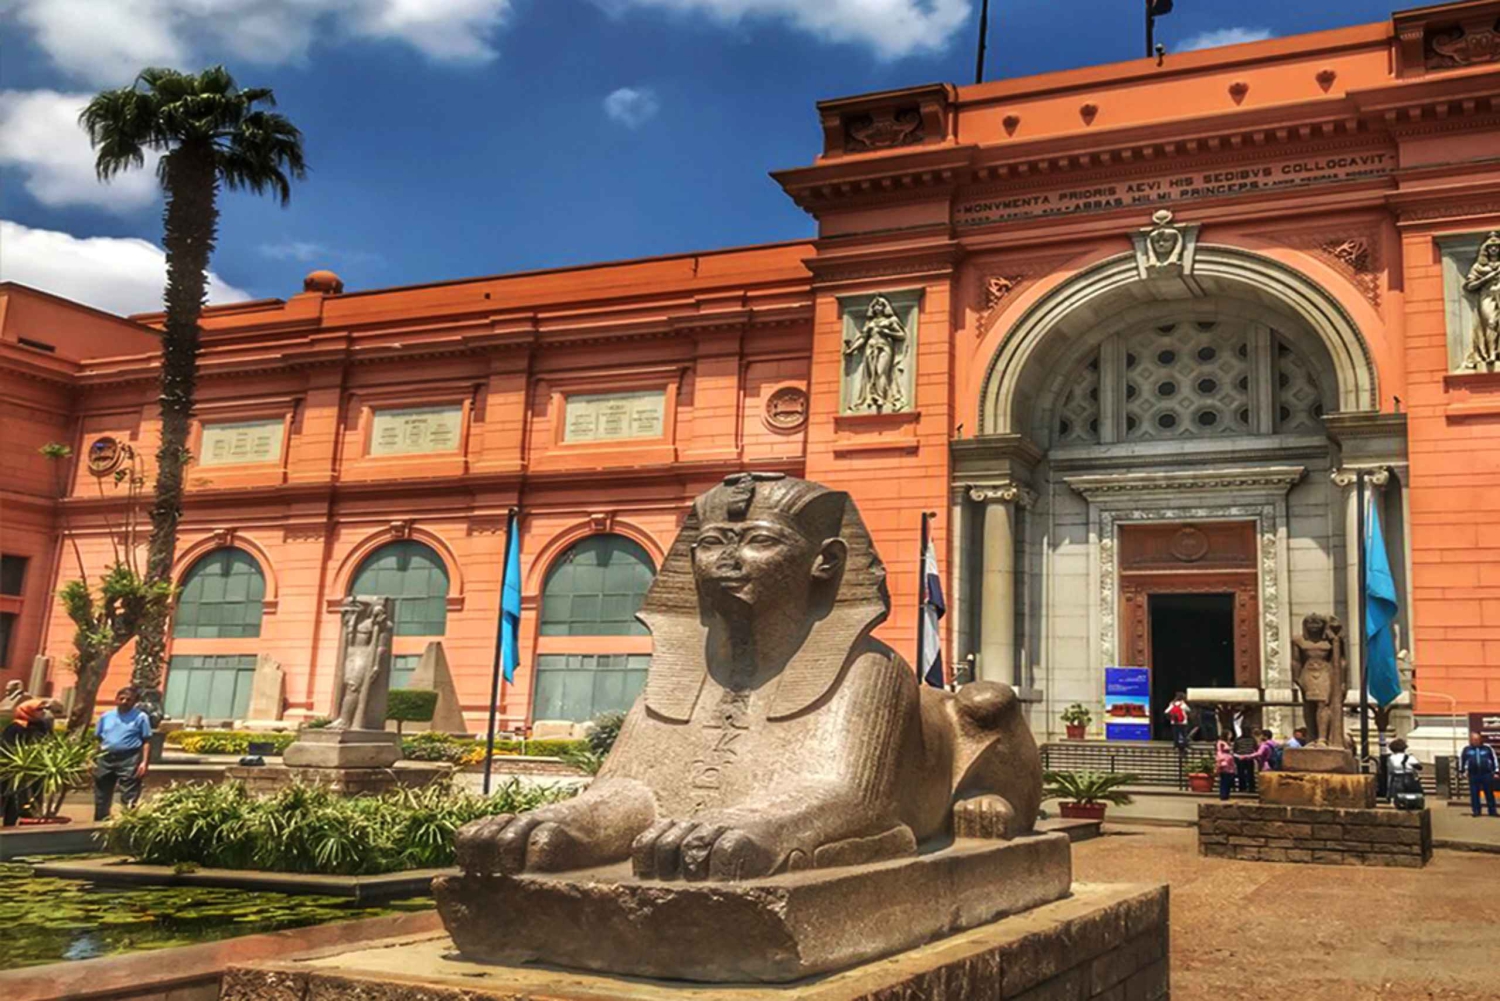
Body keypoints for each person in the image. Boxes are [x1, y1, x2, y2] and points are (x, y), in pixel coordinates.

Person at [93, 686, 152, 821]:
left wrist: (144, 763)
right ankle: (100, 821)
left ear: (135, 702)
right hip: (105, 758)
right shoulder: (106, 716)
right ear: (116, 700)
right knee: (101, 793)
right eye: (122, 699)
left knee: (129, 794)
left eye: (129, 699)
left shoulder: (141, 717)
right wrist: (93, 759)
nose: (124, 702)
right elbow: (98, 739)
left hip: (129, 758)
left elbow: (146, 741)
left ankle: (126, 822)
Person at [1, 698, 61, 826]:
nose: (42, 712)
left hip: (38, 768)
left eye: (44, 709)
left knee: (36, 796)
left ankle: (33, 819)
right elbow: (7, 747)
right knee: (15, 797)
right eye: (39, 709)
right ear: (28, 710)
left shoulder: (42, 726)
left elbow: (50, 741)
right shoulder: (15, 727)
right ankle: (10, 823)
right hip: (18, 769)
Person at [1459, 732, 1499, 818]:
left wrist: (1496, 771)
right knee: (1474, 794)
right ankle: (1476, 811)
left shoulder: (1487, 748)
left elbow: (1494, 759)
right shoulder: (1466, 749)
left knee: (1489, 793)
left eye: (1477, 739)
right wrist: (1462, 772)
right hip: (1473, 775)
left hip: (1486, 774)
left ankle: (1492, 811)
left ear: (1480, 739)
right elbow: (1462, 760)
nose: (1476, 741)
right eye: (1474, 739)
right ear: (1471, 740)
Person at [1387, 738, 1423, 807]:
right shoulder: (1409, 757)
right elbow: (1419, 767)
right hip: (1409, 778)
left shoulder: (1390, 758)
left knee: (1398, 799)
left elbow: (1390, 771)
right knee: (1412, 797)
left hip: (1396, 779)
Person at [1232, 727, 1259, 793]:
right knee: (1250, 773)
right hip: (1249, 757)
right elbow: (1256, 747)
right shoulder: (1252, 739)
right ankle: (1251, 787)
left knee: (1241, 773)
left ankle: (1242, 787)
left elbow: (1235, 749)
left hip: (1240, 757)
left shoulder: (1238, 739)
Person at [1215, 735, 1237, 801]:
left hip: (1229, 765)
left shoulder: (1226, 745)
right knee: (1224, 781)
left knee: (1227, 781)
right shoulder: (1221, 744)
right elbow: (1220, 752)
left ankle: (1226, 795)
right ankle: (1223, 795)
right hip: (1225, 765)